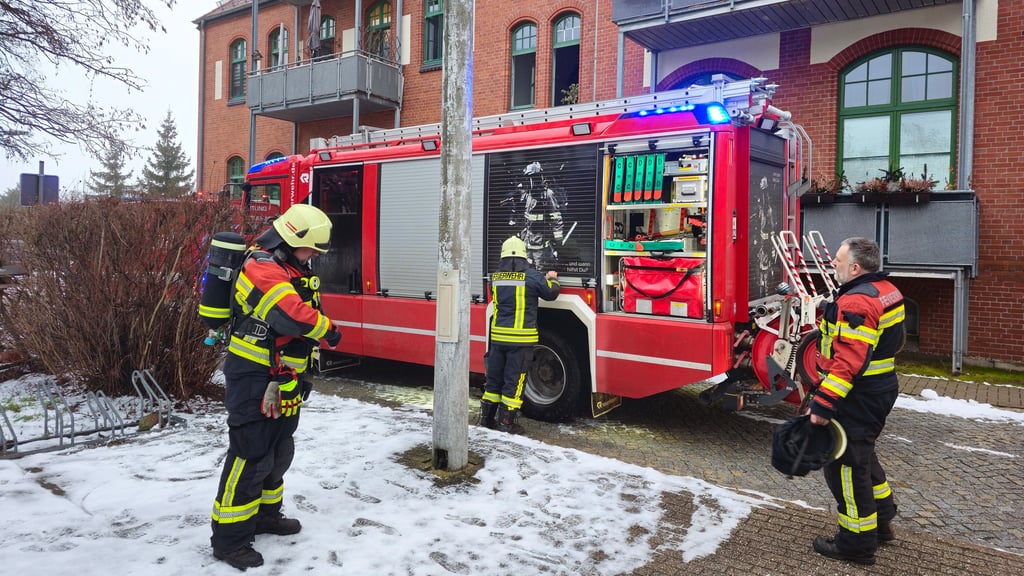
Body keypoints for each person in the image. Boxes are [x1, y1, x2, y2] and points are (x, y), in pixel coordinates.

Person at [209, 203, 341, 570]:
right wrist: (328, 330)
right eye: (311, 248)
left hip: (283, 378)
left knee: (279, 450)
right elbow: (290, 315)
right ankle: (230, 539)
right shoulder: (261, 268)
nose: (314, 255)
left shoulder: (290, 265)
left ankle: (266, 515)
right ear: (290, 238)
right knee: (251, 454)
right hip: (254, 378)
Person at [807, 237, 905, 566]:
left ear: (855, 267)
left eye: (837, 259)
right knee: (862, 455)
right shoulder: (886, 290)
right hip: (879, 388)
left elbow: (847, 364)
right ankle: (882, 520)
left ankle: (856, 544)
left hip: (858, 395)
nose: (833, 264)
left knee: (845, 467)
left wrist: (822, 406)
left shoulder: (857, 303)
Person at [479, 236, 560, 434]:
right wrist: (553, 278)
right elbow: (551, 293)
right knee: (514, 380)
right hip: (520, 340)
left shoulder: (495, 278)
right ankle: (506, 423)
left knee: (494, 380)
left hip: (498, 338)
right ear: (525, 256)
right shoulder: (532, 277)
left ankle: (486, 419)